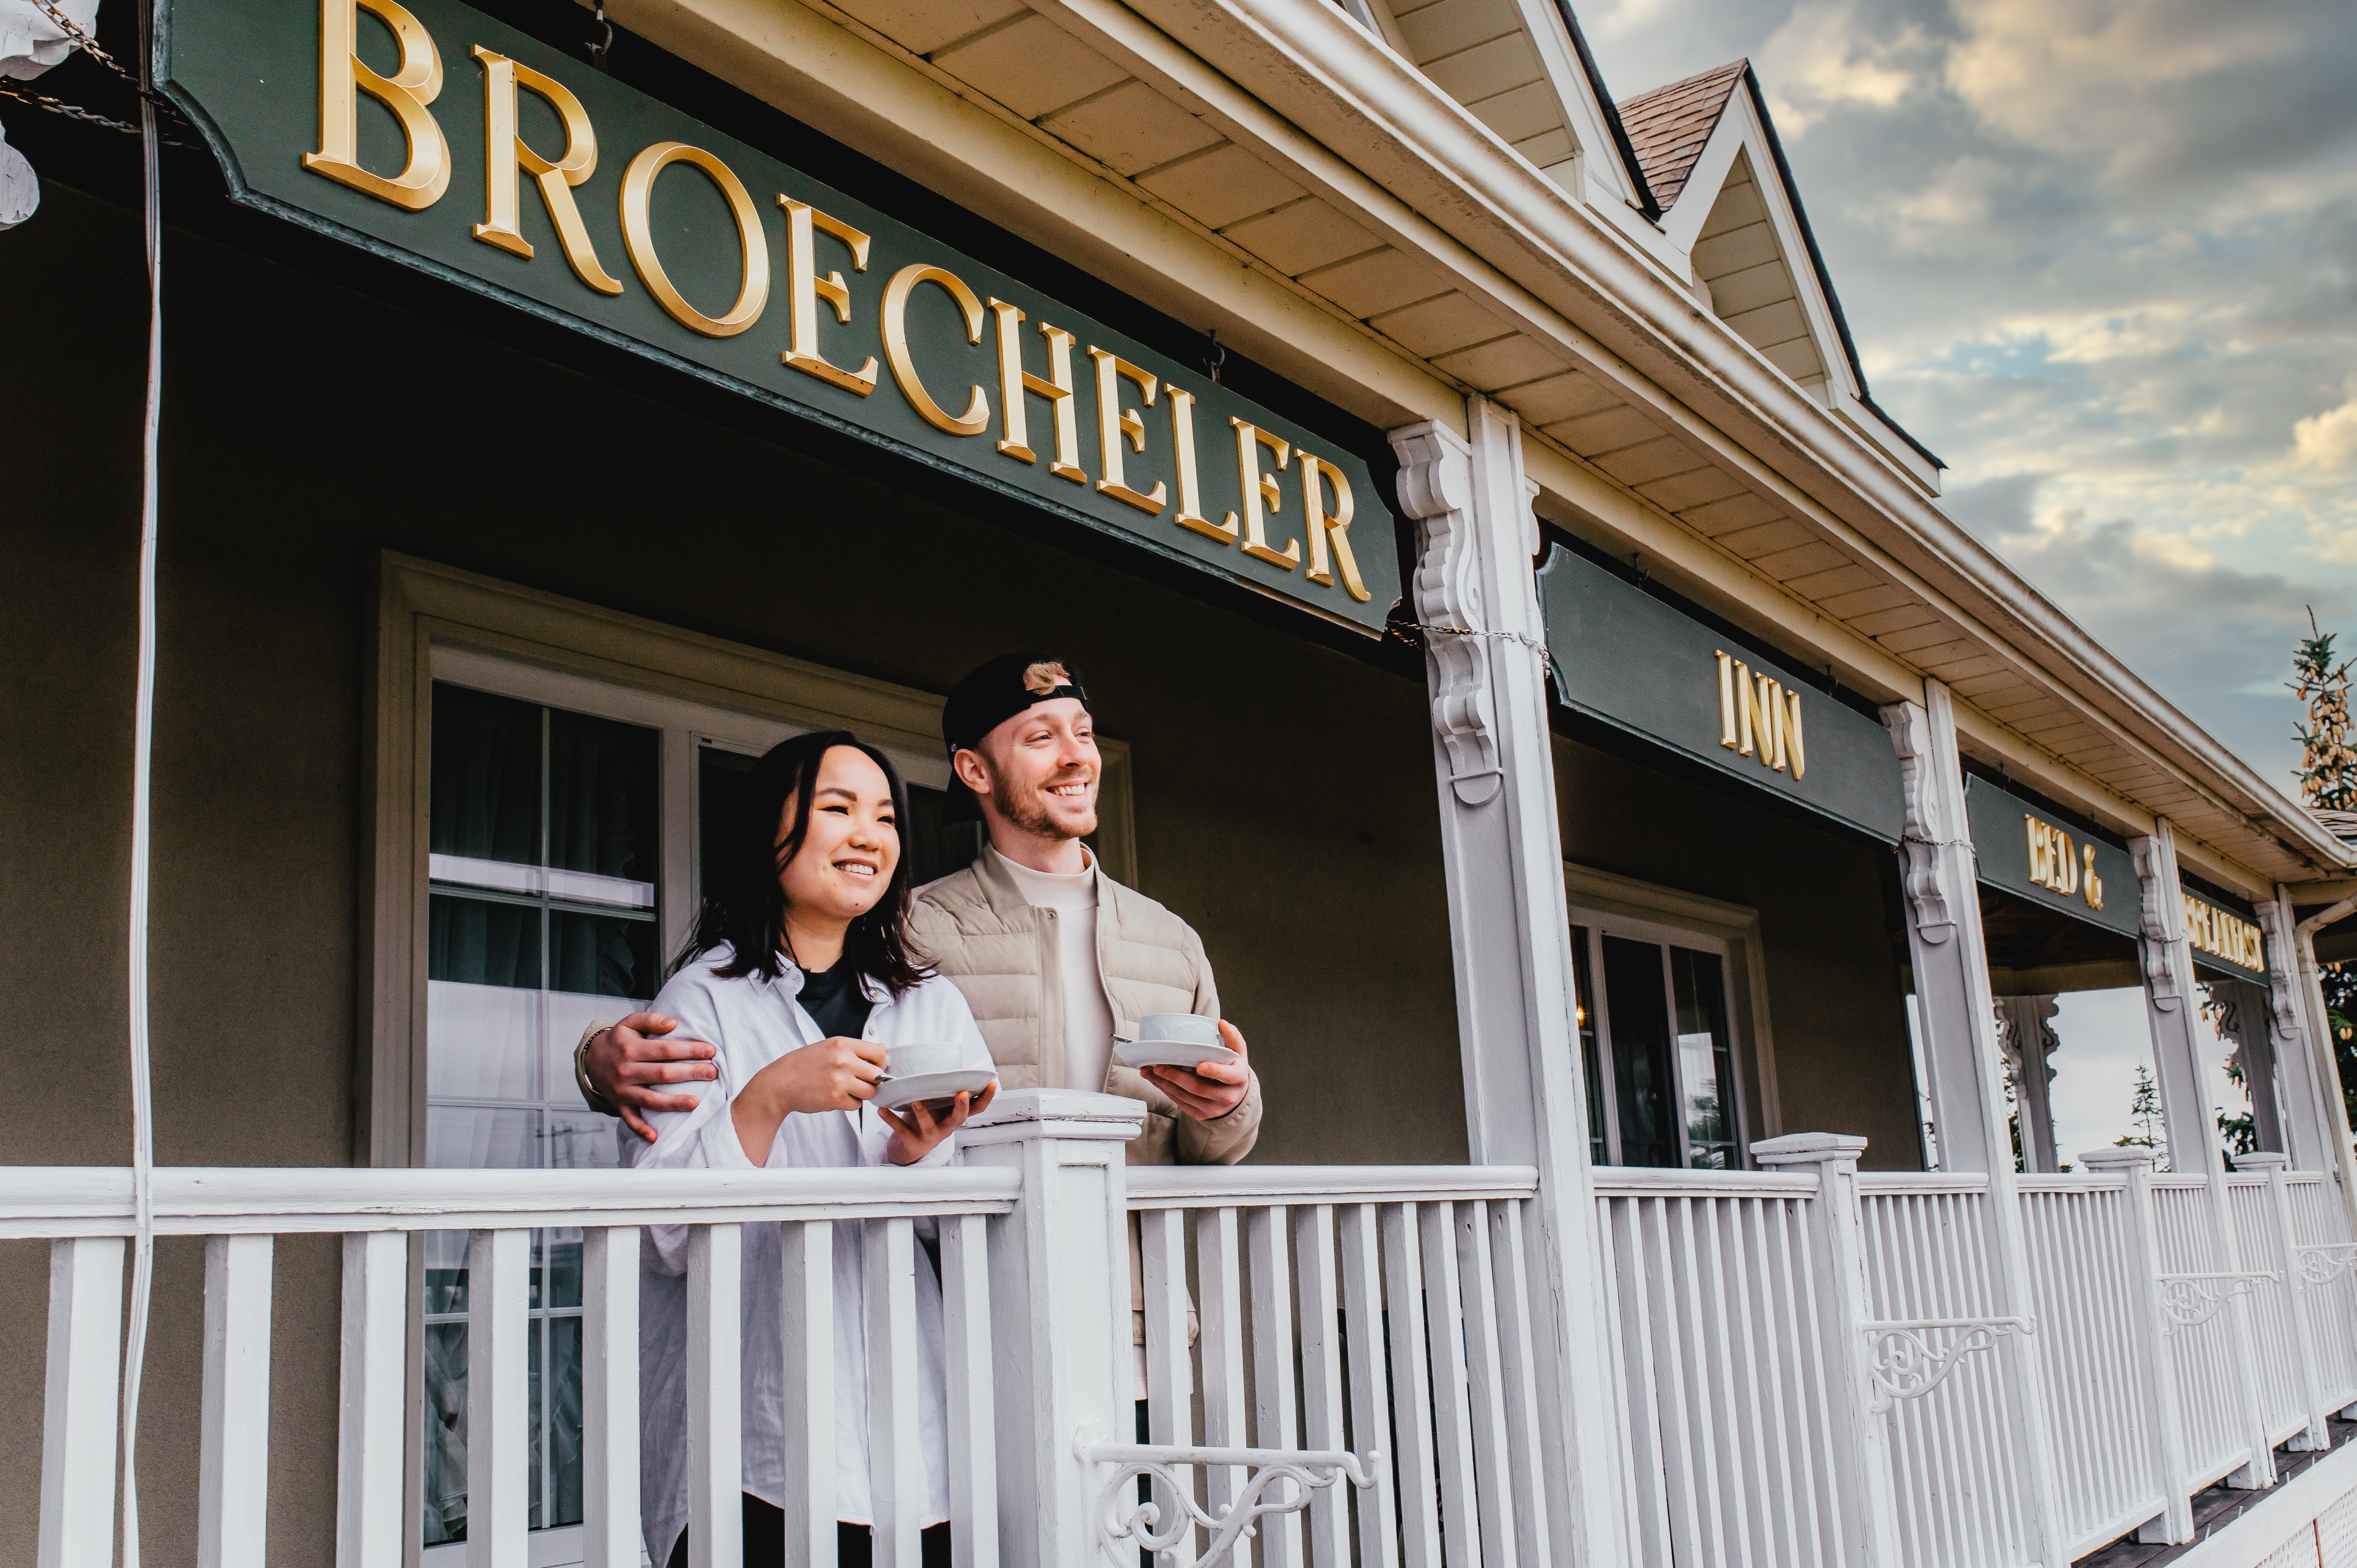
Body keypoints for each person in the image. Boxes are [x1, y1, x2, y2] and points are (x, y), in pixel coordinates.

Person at [583, 655, 1261, 1391]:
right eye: (1041, 738)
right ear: (974, 771)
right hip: (967, 1332)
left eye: (1085, 733)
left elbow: (1204, 1142)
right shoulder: (912, 935)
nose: (1075, 756)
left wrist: (1232, 1104)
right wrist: (594, 1061)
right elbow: (670, 1209)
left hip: (1135, 1322)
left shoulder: (1168, 940)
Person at [627, 729, 995, 1568]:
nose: (869, 834)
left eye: (885, 817)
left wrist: (916, 1158)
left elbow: (972, 1224)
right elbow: (665, 1234)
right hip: (757, 1442)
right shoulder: (701, 1000)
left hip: (917, 1440)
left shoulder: (931, 1005)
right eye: (837, 809)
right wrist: (768, 1098)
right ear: (770, 832)